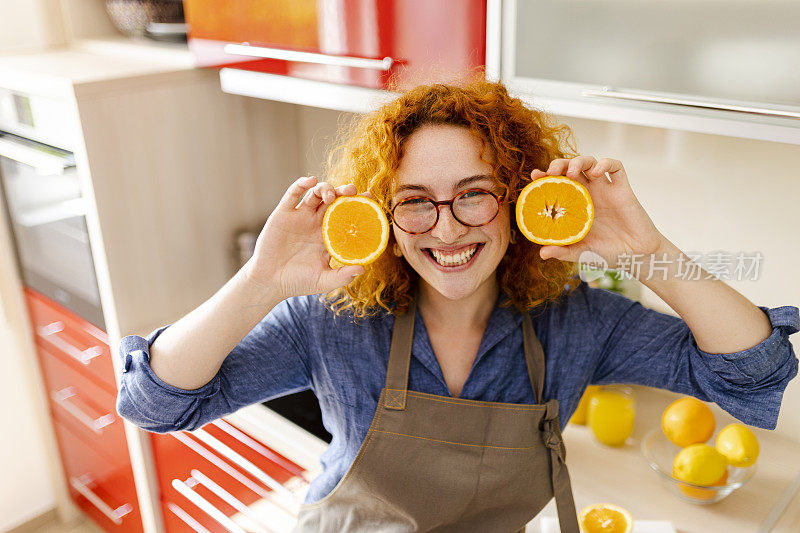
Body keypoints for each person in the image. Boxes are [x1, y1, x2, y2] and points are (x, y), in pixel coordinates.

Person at [117, 79, 799, 532]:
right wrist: (263, 279)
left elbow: (753, 370)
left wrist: (646, 250)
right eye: (416, 200)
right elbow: (158, 402)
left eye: (473, 193)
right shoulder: (329, 320)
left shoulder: (576, 321)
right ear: (384, 211)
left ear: (514, 199)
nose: (446, 229)